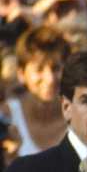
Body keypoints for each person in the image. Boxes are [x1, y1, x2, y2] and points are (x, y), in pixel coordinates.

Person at [1, 25, 71, 158]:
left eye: (56, 68)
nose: (49, 79)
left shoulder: (79, 117)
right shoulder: (6, 116)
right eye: (39, 69)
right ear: (21, 73)